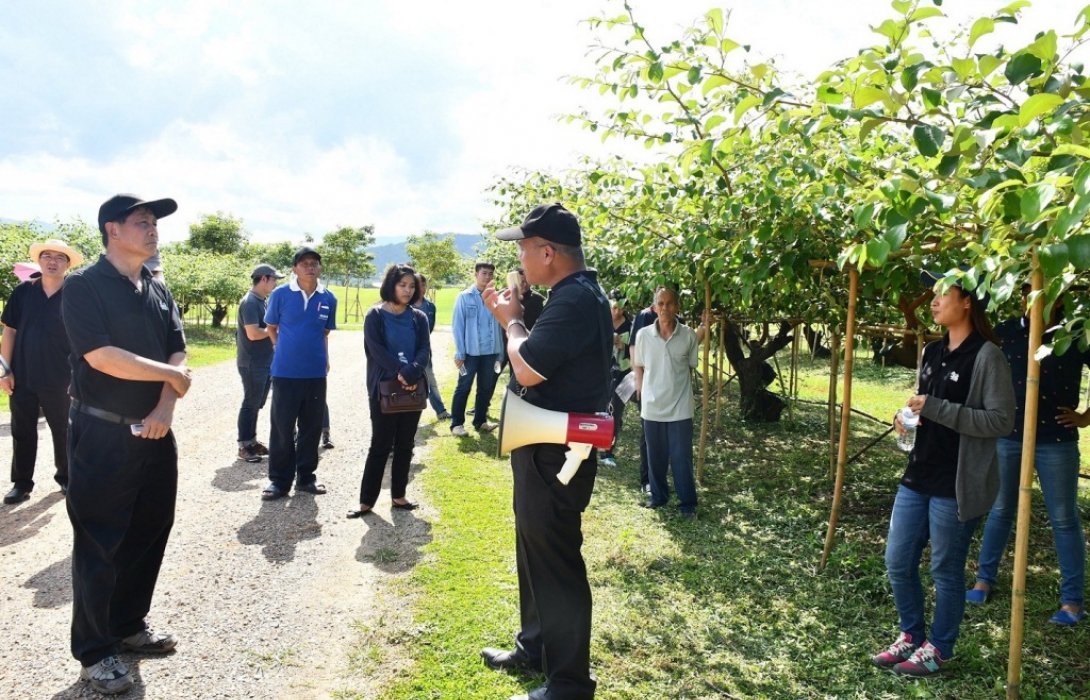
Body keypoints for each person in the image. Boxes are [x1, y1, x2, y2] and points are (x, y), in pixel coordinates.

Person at [479, 203, 612, 700]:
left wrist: (512, 322)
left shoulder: (574, 299)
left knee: (555, 562)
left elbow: (528, 368)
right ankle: (534, 646)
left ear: (548, 252)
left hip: (556, 454)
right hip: (546, 447)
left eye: (523, 248)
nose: (519, 257)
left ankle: (570, 684)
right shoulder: (575, 294)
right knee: (534, 550)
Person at [63, 194, 193, 695]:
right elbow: (100, 356)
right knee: (100, 540)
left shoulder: (156, 287)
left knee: (150, 528)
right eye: (142, 222)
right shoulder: (84, 286)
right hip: (102, 431)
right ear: (112, 229)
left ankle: (128, 624)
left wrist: (165, 406)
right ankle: (94, 650)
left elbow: (176, 346)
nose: (153, 229)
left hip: (156, 429)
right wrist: (174, 377)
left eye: (154, 223)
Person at [871, 269, 1014, 677]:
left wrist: (935, 409)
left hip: (957, 481)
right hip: (919, 473)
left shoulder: (987, 356)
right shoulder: (931, 352)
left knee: (945, 569)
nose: (932, 302)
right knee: (898, 561)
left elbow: (1001, 421)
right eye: (932, 295)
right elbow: (923, 405)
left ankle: (940, 648)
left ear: (967, 301)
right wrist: (906, 418)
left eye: (942, 295)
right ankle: (912, 636)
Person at [966, 287, 1088, 625]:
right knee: (1001, 509)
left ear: (1061, 300)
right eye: (1031, 294)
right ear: (1022, 297)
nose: (1039, 302)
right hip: (1008, 437)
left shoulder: (1075, 335)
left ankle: (1072, 601)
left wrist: (1084, 417)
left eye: (1050, 296)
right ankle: (984, 579)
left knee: (1063, 518)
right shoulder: (1005, 333)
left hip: (1056, 440)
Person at [1, 238, 83, 503]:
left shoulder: (75, 295)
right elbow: (10, 331)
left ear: (67, 264)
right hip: (22, 376)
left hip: (62, 378)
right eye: (47, 255)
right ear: (39, 260)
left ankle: (67, 479)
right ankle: (21, 484)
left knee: (64, 430)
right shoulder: (23, 292)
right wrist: (4, 369)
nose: (52, 261)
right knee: (22, 430)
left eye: (59, 257)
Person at [348, 264, 431, 518]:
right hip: (383, 388)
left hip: (413, 388)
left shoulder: (419, 317)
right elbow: (376, 350)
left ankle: (399, 496)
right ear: (391, 285)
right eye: (402, 285)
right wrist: (400, 371)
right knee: (380, 445)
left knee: (406, 444)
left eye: (411, 286)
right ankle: (366, 502)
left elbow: (424, 350)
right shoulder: (375, 315)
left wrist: (412, 371)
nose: (407, 290)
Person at [261, 247, 337, 501]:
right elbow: (271, 326)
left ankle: (306, 478)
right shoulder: (281, 294)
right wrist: (277, 345)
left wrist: (325, 359)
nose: (310, 267)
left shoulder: (328, 298)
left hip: (315, 373)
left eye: (315, 263)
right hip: (285, 372)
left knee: (311, 428)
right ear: (294, 269)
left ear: (320, 268)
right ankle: (279, 481)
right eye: (304, 263)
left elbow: (324, 333)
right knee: (282, 427)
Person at [633, 288, 700, 518]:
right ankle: (659, 497)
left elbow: (690, 366)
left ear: (677, 307)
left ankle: (687, 503)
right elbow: (639, 365)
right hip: (652, 406)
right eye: (660, 303)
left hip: (680, 406)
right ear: (654, 307)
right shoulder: (643, 335)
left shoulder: (689, 335)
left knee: (681, 457)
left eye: (670, 304)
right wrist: (640, 388)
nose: (665, 308)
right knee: (656, 456)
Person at [236, 263, 284, 463]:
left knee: (257, 403)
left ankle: (252, 441)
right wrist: (273, 331)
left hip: (263, 361)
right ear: (263, 279)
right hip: (252, 362)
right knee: (250, 403)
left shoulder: (261, 301)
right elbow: (253, 333)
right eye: (273, 279)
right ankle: (244, 445)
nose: (275, 283)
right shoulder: (250, 302)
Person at [449, 261, 503, 436]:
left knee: (485, 388)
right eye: (484, 273)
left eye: (490, 274)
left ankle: (480, 421)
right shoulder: (464, 297)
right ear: (476, 274)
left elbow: (499, 326)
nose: (487, 277)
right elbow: (457, 326)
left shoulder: (496, 298)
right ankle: (457, 424)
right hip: (469, 354)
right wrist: (460, 352)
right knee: (463, 386)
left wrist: (500, 353)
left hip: (490, 353)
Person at [598, 292, 631, 468]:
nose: (616, 312)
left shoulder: (631, 326)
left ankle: (607, 451)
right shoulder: (602, 322)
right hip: (602, 373)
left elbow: (636, 352)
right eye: (613, 308)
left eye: (619, 308)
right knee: (600, 410)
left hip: (624, 376)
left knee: (615, 413)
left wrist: (622, 345)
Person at [413, 273, 450, 420]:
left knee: (430, 380)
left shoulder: (430, 307)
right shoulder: (405, 306)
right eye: (418, 285)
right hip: (408, 351)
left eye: (423, 285)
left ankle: (441, 411)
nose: (421, 288)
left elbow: (430, 329)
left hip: (424, 351)